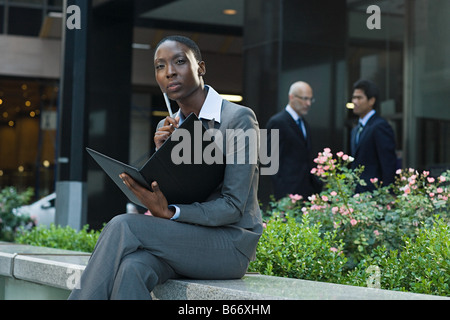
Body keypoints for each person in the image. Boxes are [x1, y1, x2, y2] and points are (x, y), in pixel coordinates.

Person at [68, 35, 263, 300]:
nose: (169, 72)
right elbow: (179, 191)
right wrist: (162, 156)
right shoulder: (169, 129)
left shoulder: (238, 119)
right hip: (183, 241)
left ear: (201, 68)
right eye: (160, 66)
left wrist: (170, 212)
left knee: (123, 225)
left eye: (179, 62)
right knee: (131, 268)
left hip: (229, 246)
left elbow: (232, 206)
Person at [265, 81, 322, 200]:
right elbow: (270, 162)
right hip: (287, 194)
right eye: (304, 99)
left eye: (310, 99)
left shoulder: (304, 124)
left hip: (306, 191)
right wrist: (282, 196)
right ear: (291, 97)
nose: (308, 103)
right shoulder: (277, 122)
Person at [350, 79, 397, 193]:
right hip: (358, 194)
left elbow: (388, 163)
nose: (354, 101)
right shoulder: (356, 129)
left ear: (371, 101)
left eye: (359, 98)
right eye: (354, 97)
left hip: (375, 194)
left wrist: (388, 193)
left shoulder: (380, 126)